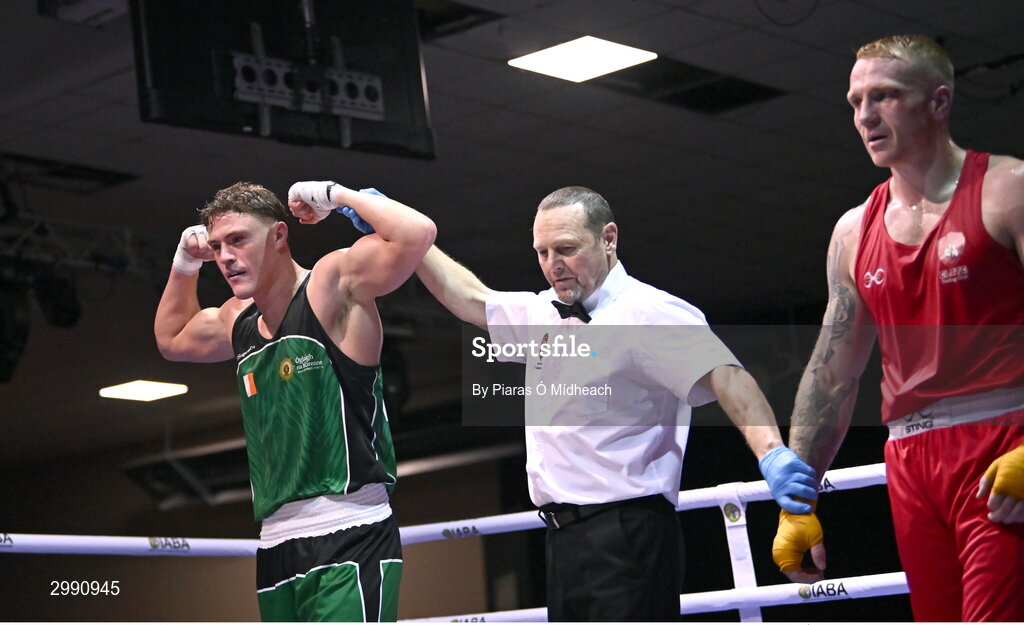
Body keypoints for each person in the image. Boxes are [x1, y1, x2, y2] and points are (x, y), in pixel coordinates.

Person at [413, 185, 817, 621]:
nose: (553, 265)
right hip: (562, 540)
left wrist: (772, 453)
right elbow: (471, 298)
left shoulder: (649, 313)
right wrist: (410, 239)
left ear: (608, 238)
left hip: (628, 534)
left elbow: (730, 378)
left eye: (566, 248)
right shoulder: (545, 312)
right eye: (542, 252)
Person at [771, 34, 1024, 622]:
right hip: (910, 458)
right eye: (856, 101)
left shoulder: (1008, 191)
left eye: (883, 96)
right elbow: (832, 374)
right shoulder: (854, 232)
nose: (864, 116)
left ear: (938, 102)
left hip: (1002, 444)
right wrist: (797, 501)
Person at [154, 181, 436, 621]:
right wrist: (185, 260)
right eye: (217, 246)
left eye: (239, 240)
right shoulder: (238, 318)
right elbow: (171, 338)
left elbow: (416, 233)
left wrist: (337, 195)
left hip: (350, 530)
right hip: (276, 544)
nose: (226, 257)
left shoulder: (330, 285)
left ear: (280, 236)